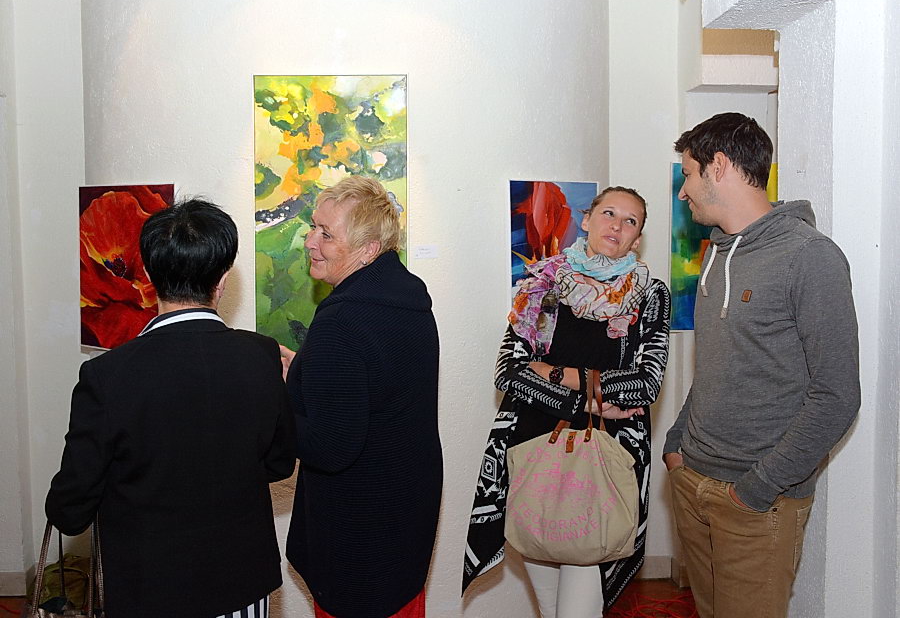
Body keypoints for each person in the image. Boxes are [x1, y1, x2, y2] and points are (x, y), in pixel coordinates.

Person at [46, 199, 297, 618]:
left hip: (148, 588)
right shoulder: (262, 355)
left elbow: (69, 510)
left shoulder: (108, 375)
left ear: (147, 275)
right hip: (242, 582)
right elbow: (279, 463)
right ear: (222, 280)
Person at [663, 112, 861, 618]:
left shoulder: (809, 256)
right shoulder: (715, 253)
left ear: (720, 166)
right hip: (692, 481)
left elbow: (837, 395)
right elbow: (717, 364)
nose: (683, 191)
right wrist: (677, 445)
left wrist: (758, 487)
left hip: (755, 501)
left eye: (689, 174)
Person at [464, 186, 671, 618]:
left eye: (630, 221)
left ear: (637, 239)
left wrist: (554, 373)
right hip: (533, 455)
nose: (617, 225)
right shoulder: (544, 284)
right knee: (550, 608)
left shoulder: (650, 295)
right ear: (587, 220)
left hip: (604, 464)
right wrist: (588, 404)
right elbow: (509, 371)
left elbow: (645, 383)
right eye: (609, 213)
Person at [280, 176, 442, 618]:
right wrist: (304, 373)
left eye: (326, 234)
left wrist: (273, 404)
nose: (310, 241)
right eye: (313, 227)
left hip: (358, 531)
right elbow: (381, 392)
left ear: (368, 249)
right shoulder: (408, 303)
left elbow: (330, 446)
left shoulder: (342, 320)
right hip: (404, 512)